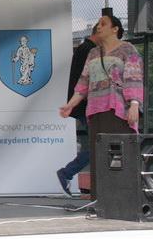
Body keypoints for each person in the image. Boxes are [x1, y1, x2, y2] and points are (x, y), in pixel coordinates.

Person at [59, 14, 143, 199]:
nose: (99, 26)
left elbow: (134, 78)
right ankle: (99, 200)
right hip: (95, 110)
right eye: (98, 23)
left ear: (115, 29)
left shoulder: (128, 49)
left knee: (119, 153)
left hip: (118, 110)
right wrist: (70, 105)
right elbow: (83, 83)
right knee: (98, 155)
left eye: (104, 23)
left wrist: (134, 104)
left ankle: (123, 198)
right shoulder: (93, 53)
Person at [56, 23, 99, 196]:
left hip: (85, 105)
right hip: (87, 106)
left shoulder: (85, 49)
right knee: (97, 145)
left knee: (97, 144)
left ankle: (68, 173)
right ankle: (67, 172)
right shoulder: (88, 50)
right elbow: (84, 81)